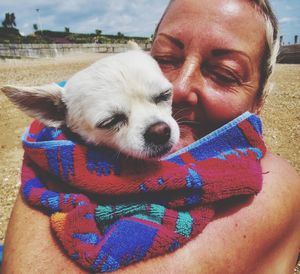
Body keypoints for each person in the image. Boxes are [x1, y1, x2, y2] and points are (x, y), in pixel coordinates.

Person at [2, 0, 300, 273]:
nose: (179, 88)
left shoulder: (270, 186)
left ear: (259, 100)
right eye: (166, 58)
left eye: (224, 73)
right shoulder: (58, 136)